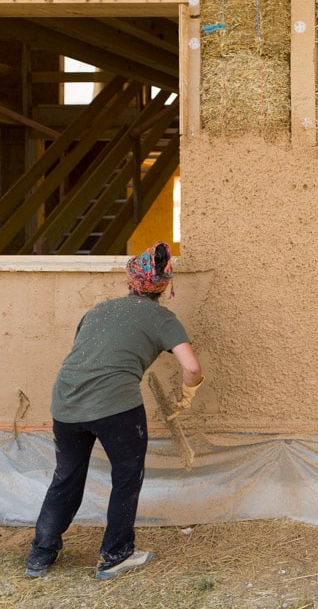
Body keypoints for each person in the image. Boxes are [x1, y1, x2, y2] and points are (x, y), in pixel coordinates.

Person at [25, 241, 204, 580]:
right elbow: (191, 367)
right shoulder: (163, 318)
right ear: (165, 285)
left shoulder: (97, 311)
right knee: (125, 477)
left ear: (129, 280)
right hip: (115, 407)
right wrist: (188, 393)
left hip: (65, 403)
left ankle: (40, 555)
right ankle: (115, 555)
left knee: (65, 477)